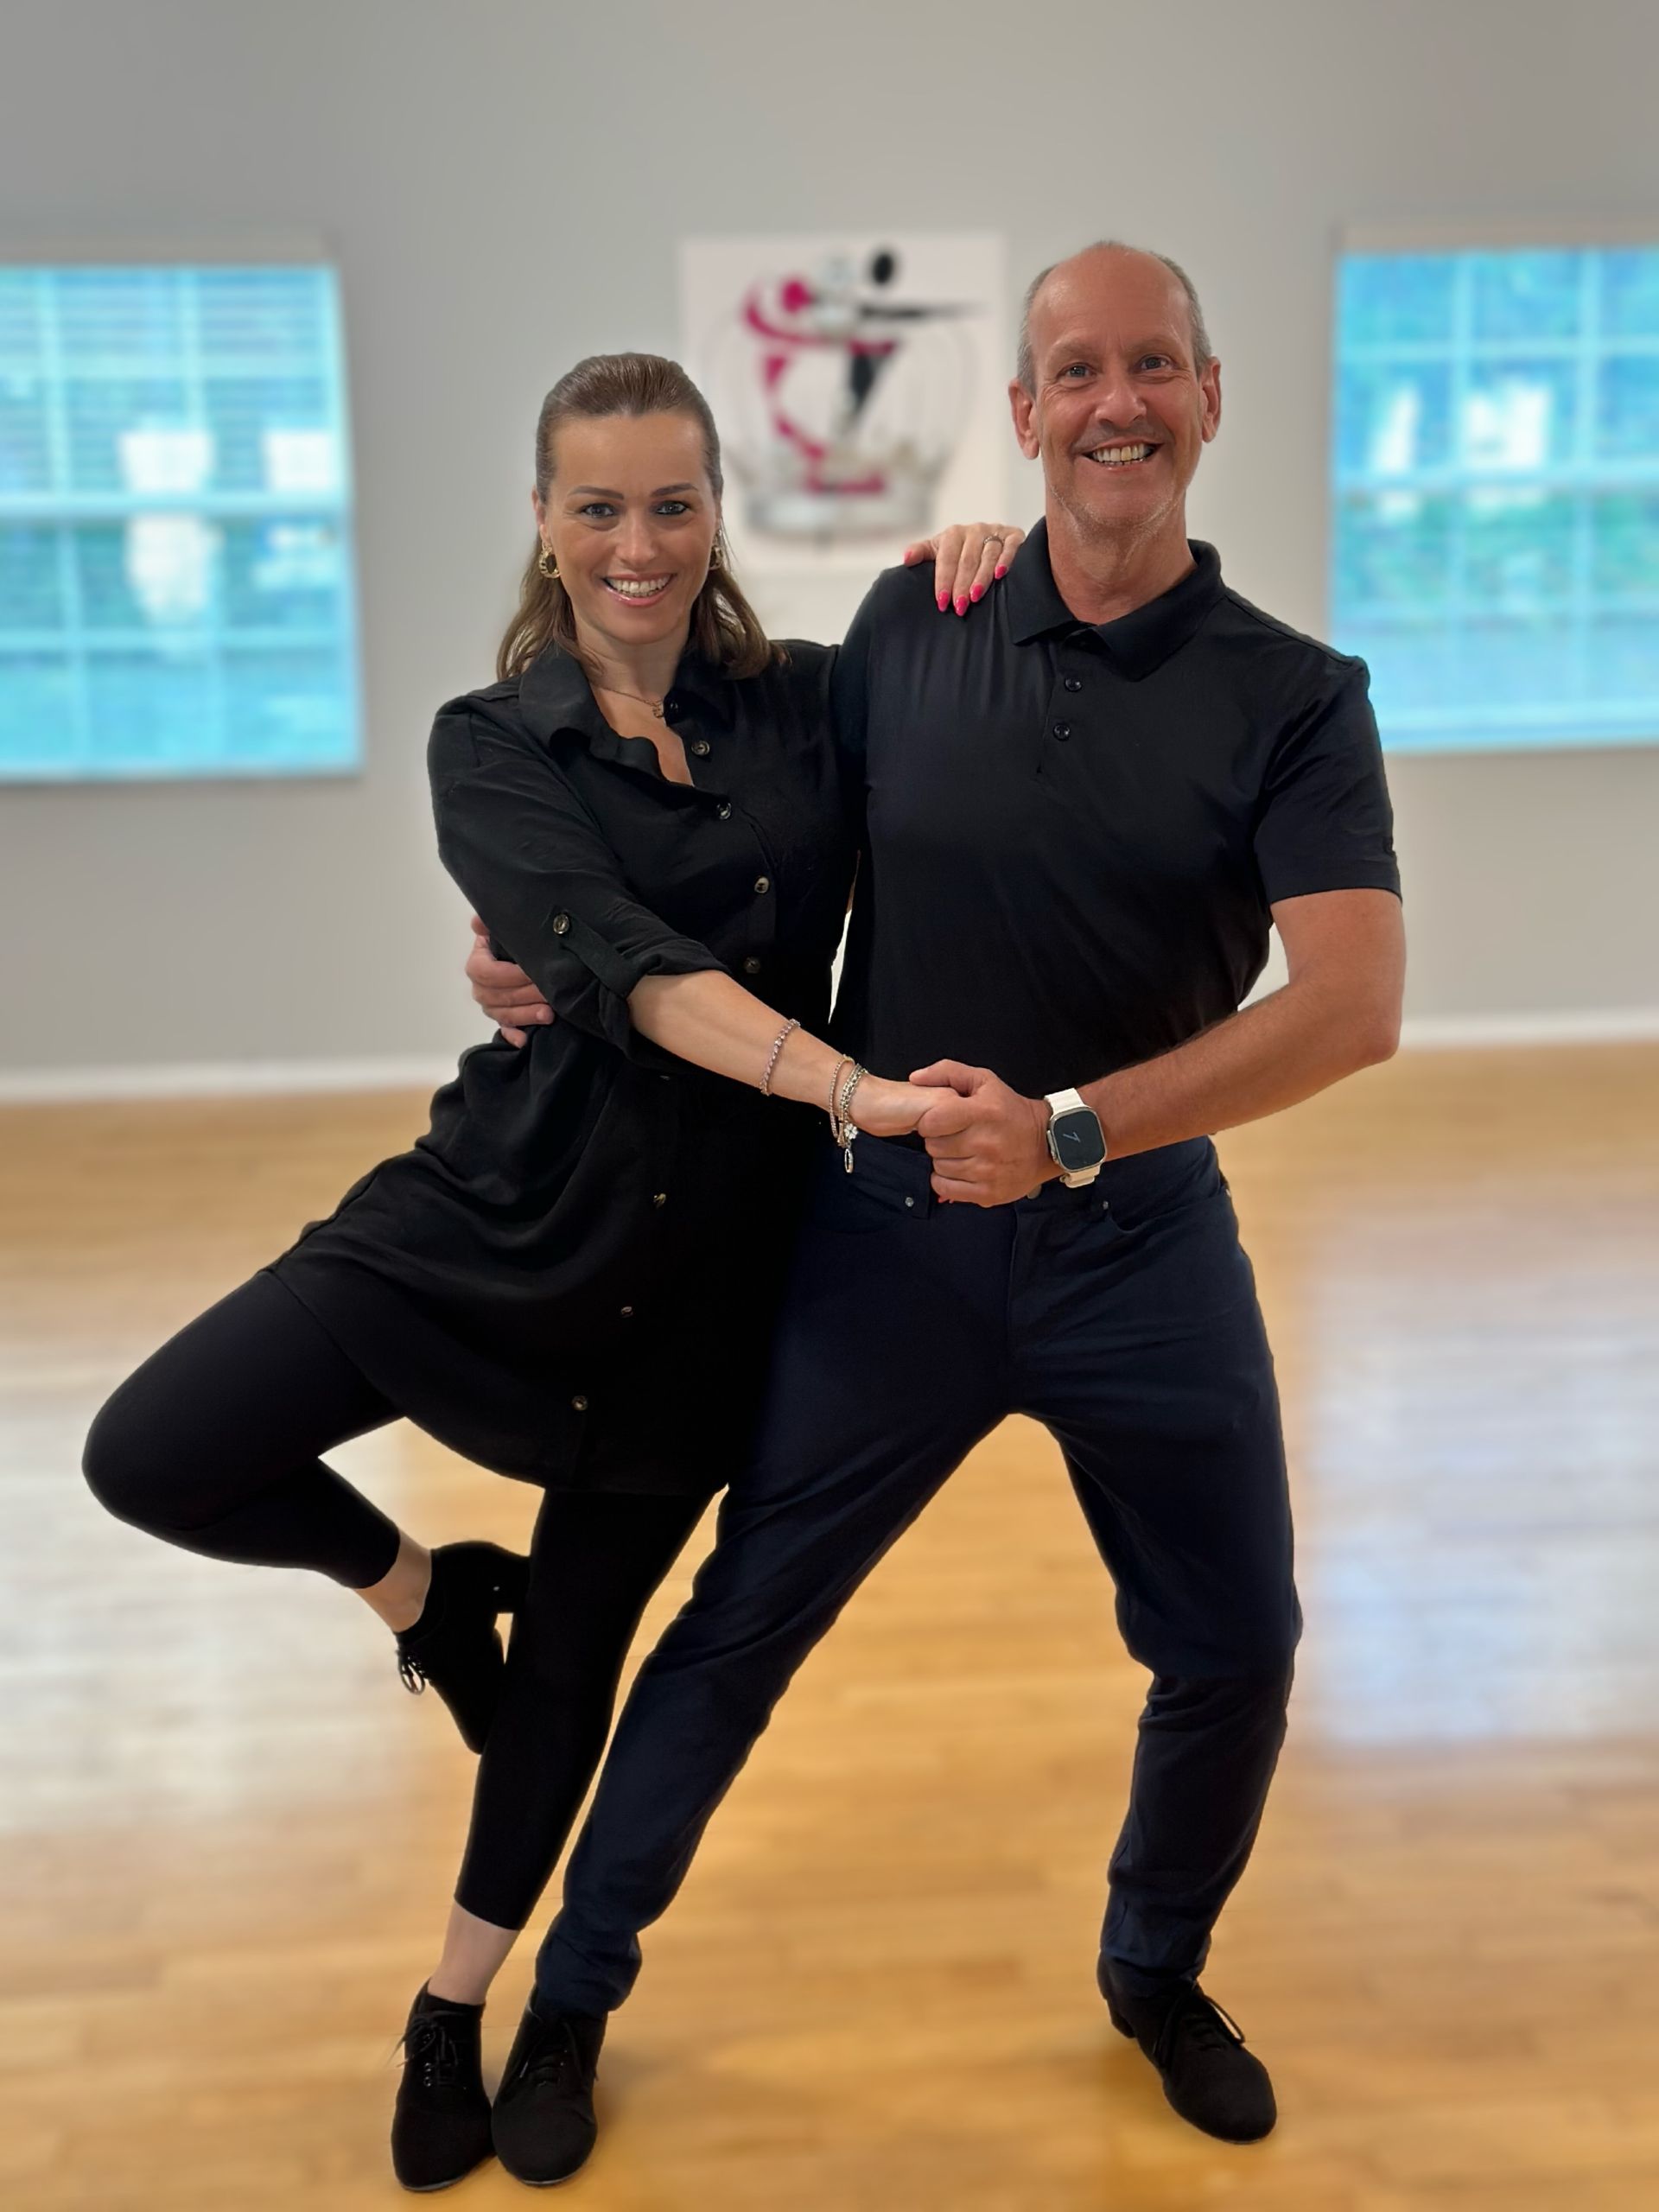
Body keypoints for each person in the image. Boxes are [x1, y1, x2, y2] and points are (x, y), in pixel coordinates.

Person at [463, 241, 1407, 2180]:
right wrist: (532, 943)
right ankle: (574, 1987)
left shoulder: (1299, 701)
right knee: (735, 1628)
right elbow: (694, 804)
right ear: (1026, 411)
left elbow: (1351, 1006)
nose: (1117, 401)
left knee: (1236, 1641)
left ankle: (1156, 1966)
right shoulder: (915, 619)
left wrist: (1069, 1134)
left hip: (1137, 1247)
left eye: (1154, 365)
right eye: (1077, 370)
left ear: (1211, 397)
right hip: (883, 1243)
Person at [79, 348, 1026, 2193]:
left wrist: (968, 560)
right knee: (152, 1448)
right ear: (543, 518)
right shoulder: (490, 741)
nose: (639, 543)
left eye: (673, 500)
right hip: (494, 1213)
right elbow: (639, 974)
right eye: (597, 504)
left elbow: (974, 681)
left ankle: (455, 2004)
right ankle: (427, 1593)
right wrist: (852, 1087)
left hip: (712, 1279)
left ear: (715, 507)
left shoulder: (812, 710)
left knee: (574, 1673)